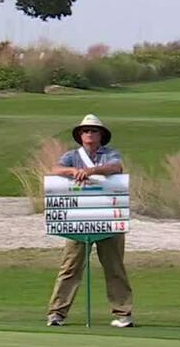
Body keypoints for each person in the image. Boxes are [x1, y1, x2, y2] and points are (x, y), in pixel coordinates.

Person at [46, 114, 133, 328]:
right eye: (86, 131)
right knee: (70, 267)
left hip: (107, 218)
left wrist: (91, 171)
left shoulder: (110, 154)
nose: (89, 134)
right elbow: (55, 169)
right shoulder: (72, 156)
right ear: (80, 135)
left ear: (101, 134)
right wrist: (73, 171)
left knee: (114, 268)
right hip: (79, 218)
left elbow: (116, 167)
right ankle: (57, 313)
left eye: (93, 130)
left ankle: (123, 313)